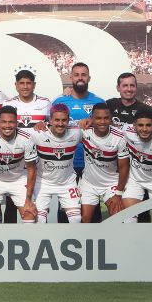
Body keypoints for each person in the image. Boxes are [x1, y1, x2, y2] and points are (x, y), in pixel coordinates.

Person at [51, 62, 106, 222]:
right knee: (67, 209)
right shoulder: (60, 101)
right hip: (67, 163)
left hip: (92, 163)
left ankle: (94, 243)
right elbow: (51, 128)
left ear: (89, 77)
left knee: (91, 209)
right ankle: (63, 241)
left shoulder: (98, 102)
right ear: (71, 77)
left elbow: (105, 127)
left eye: (83, 74)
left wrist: (92, 120)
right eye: (77, 74)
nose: (80, 78)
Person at [0, 106, 37, 223]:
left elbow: (32, 169)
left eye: (11, 122)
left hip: (19, 179)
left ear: (17, 123)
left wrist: (28, 200)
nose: (7, 126)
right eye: (4, 122)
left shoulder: (27, 138)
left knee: (29, 215)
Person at [31, 104, 83, 223]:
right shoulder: (38, 133)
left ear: (69, 120)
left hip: (67, 183)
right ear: (50, 120)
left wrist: (89, 120)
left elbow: (98, 132)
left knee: (76, 218)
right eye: (57, 120)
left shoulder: (76, 133)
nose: (60, 124)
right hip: (43, 182)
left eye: (64, 120)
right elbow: (16, 134)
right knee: (39, 219)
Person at [79, 103, 129, 222]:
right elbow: (60, 127)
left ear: (110, 119)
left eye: (106, 118)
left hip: (110, 183)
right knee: (84, 218)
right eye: (98, 118)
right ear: (91, 118)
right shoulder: (84, 131)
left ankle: (115, 241)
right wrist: (43, 124)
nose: (102, 121)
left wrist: (118, 193)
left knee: (117, 216)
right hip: (89, 183)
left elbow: (124, 168)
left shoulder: (119, 137)